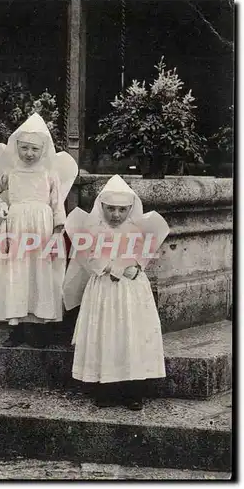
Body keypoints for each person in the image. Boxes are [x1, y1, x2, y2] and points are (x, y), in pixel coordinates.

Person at [63, 175, 169, 410]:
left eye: (122, 209)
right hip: (104, 288)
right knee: (105, 333)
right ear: (101, 206)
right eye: (111, 208)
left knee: (131, 334)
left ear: (130, 208)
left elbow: (145, 253)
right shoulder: (92, 229)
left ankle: (133, 390)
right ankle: (105, 388)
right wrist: (113, 267)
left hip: (131, 290)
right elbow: (89, 257)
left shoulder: (138, 229)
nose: (116, 215)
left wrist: (138, 265)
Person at [0, 114, 66, 347]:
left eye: (34, 149)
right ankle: (16, 328)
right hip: (16, 228)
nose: (29, 153)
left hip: (41, 229)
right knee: (16, 273)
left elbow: (57, 204)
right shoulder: (10, 173)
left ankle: (40, 329)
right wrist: (0, 203)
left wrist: (57, 232)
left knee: (40, 274)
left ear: (43, 150)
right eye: (24, 148)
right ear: (17, 147)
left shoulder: (50, 174)